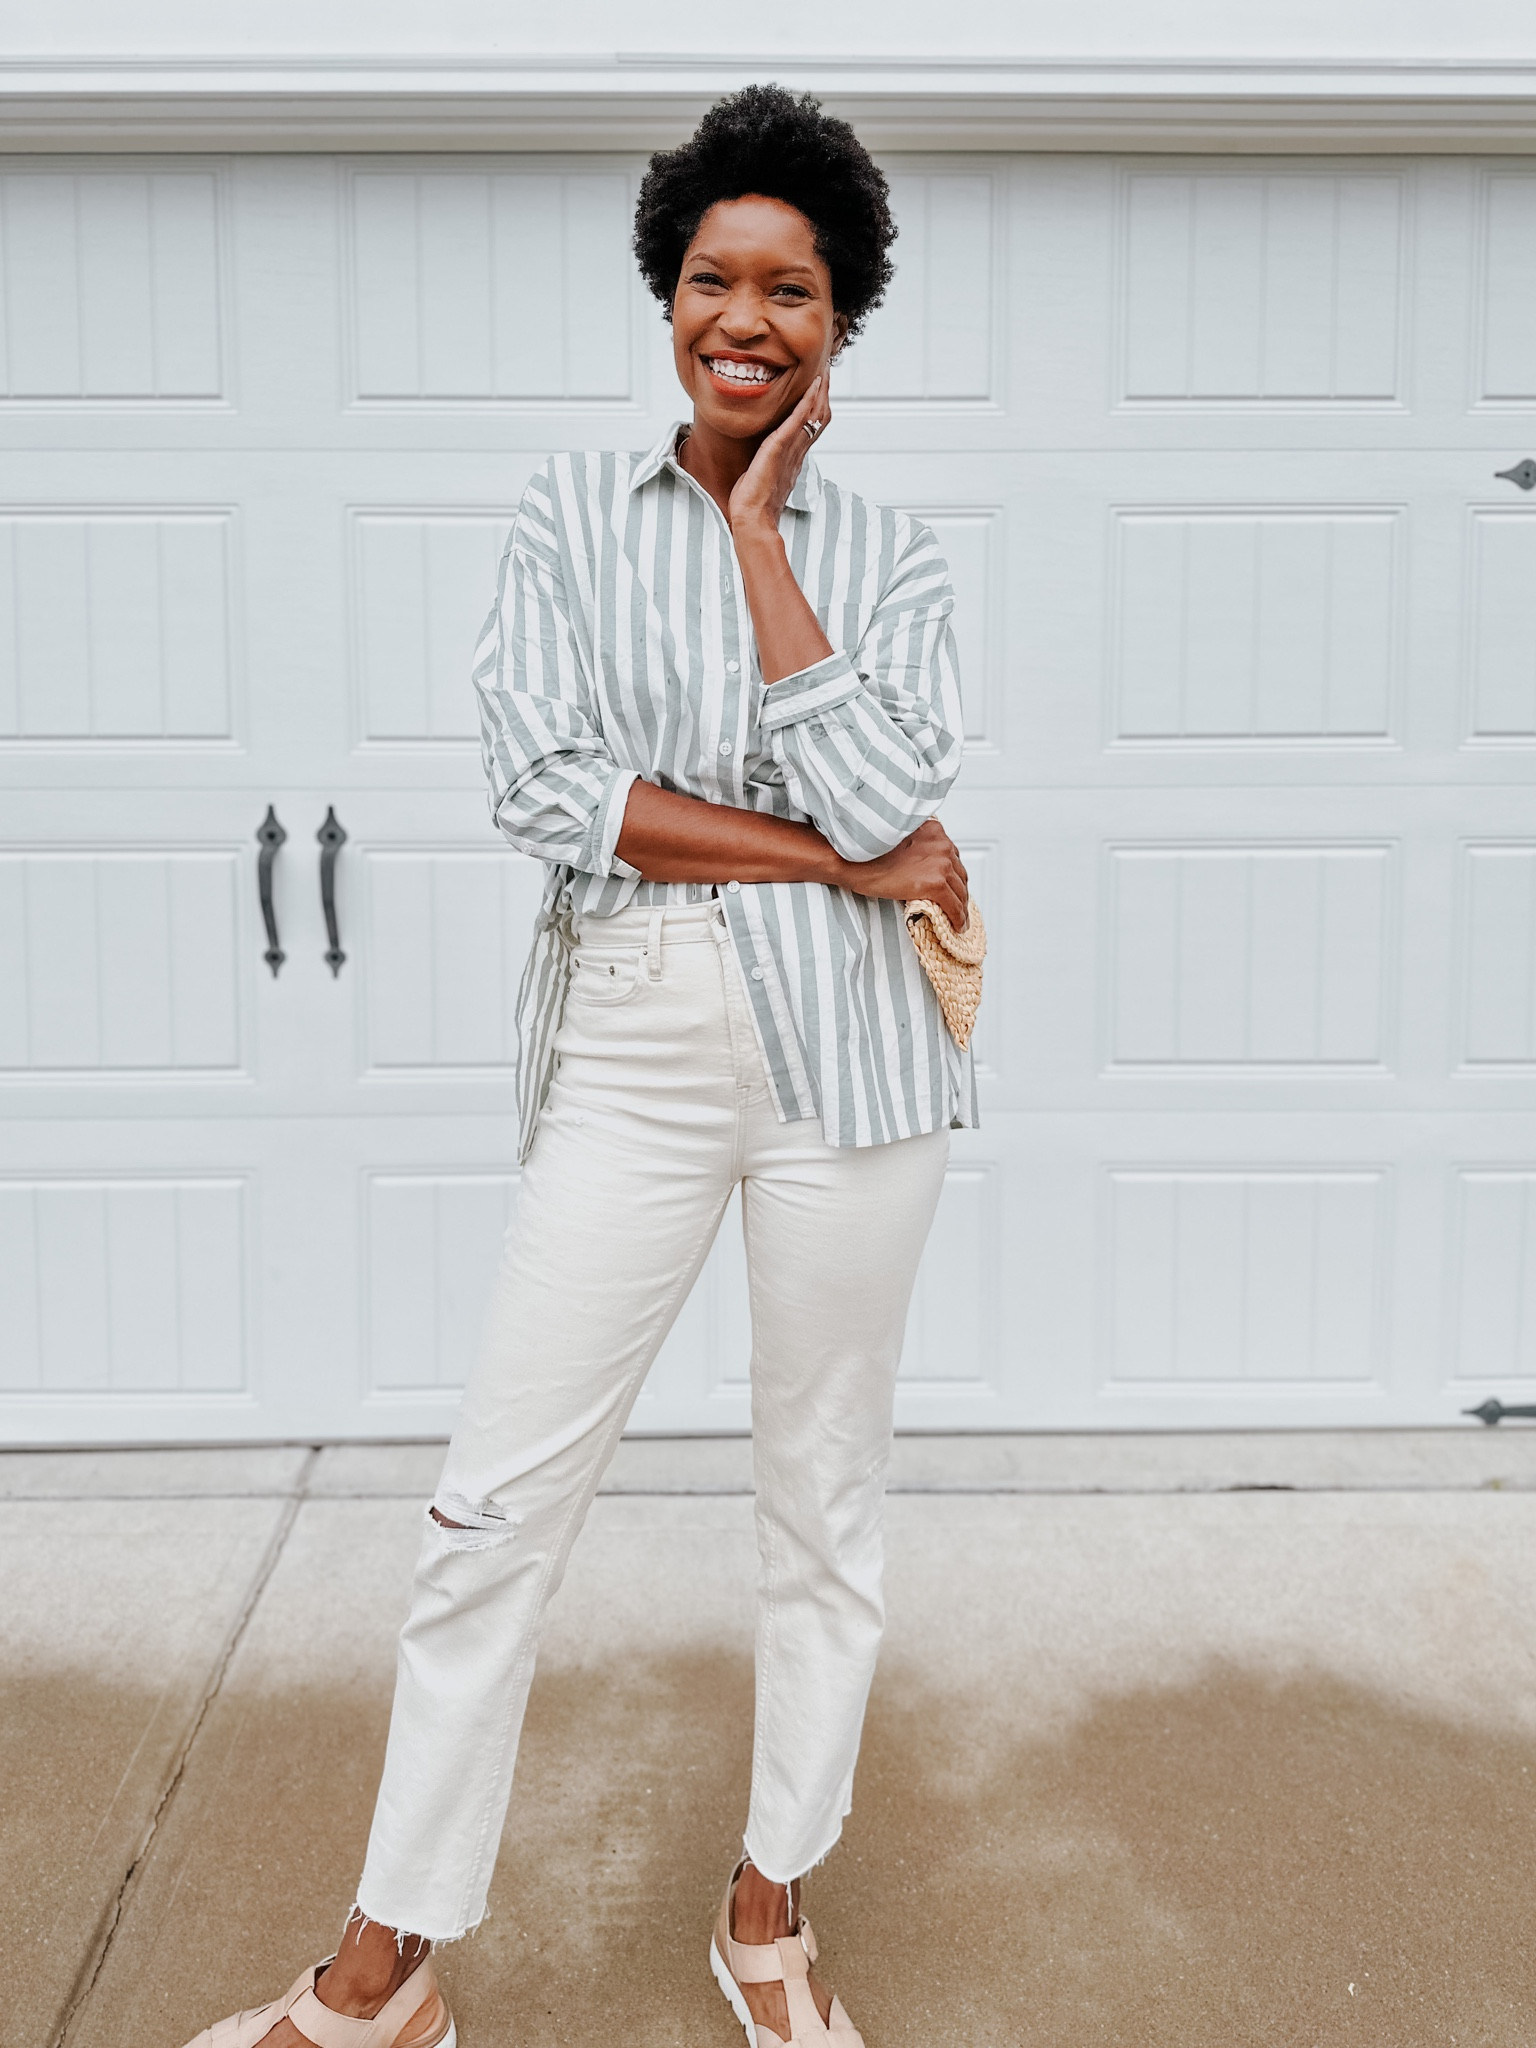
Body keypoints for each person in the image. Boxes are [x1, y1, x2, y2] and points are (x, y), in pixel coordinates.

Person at [186, 82, 974, 2048]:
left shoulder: (891, 551)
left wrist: (768, 530)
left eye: (791, 286)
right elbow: (550, 790)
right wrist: (827, 853)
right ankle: (386, 1967)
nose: (747, 315)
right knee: (490, 1511)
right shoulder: (563, 518)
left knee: (824, 1507)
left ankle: (768, 1910)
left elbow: (900, 779)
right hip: (632, 1037)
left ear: (841, 319)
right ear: (668, 292)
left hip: (855, 1066)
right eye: (714, 274)